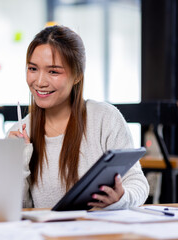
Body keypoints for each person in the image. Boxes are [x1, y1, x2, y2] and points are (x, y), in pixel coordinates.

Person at [8, 25, 149, 209]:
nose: (40, 82)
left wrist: (121, 198)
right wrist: (18, 160)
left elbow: (137, 183)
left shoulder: (105, 118)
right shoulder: (18, 133)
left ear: (77, 76)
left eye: (53, 71)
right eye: (33, 68)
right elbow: (19, 208)